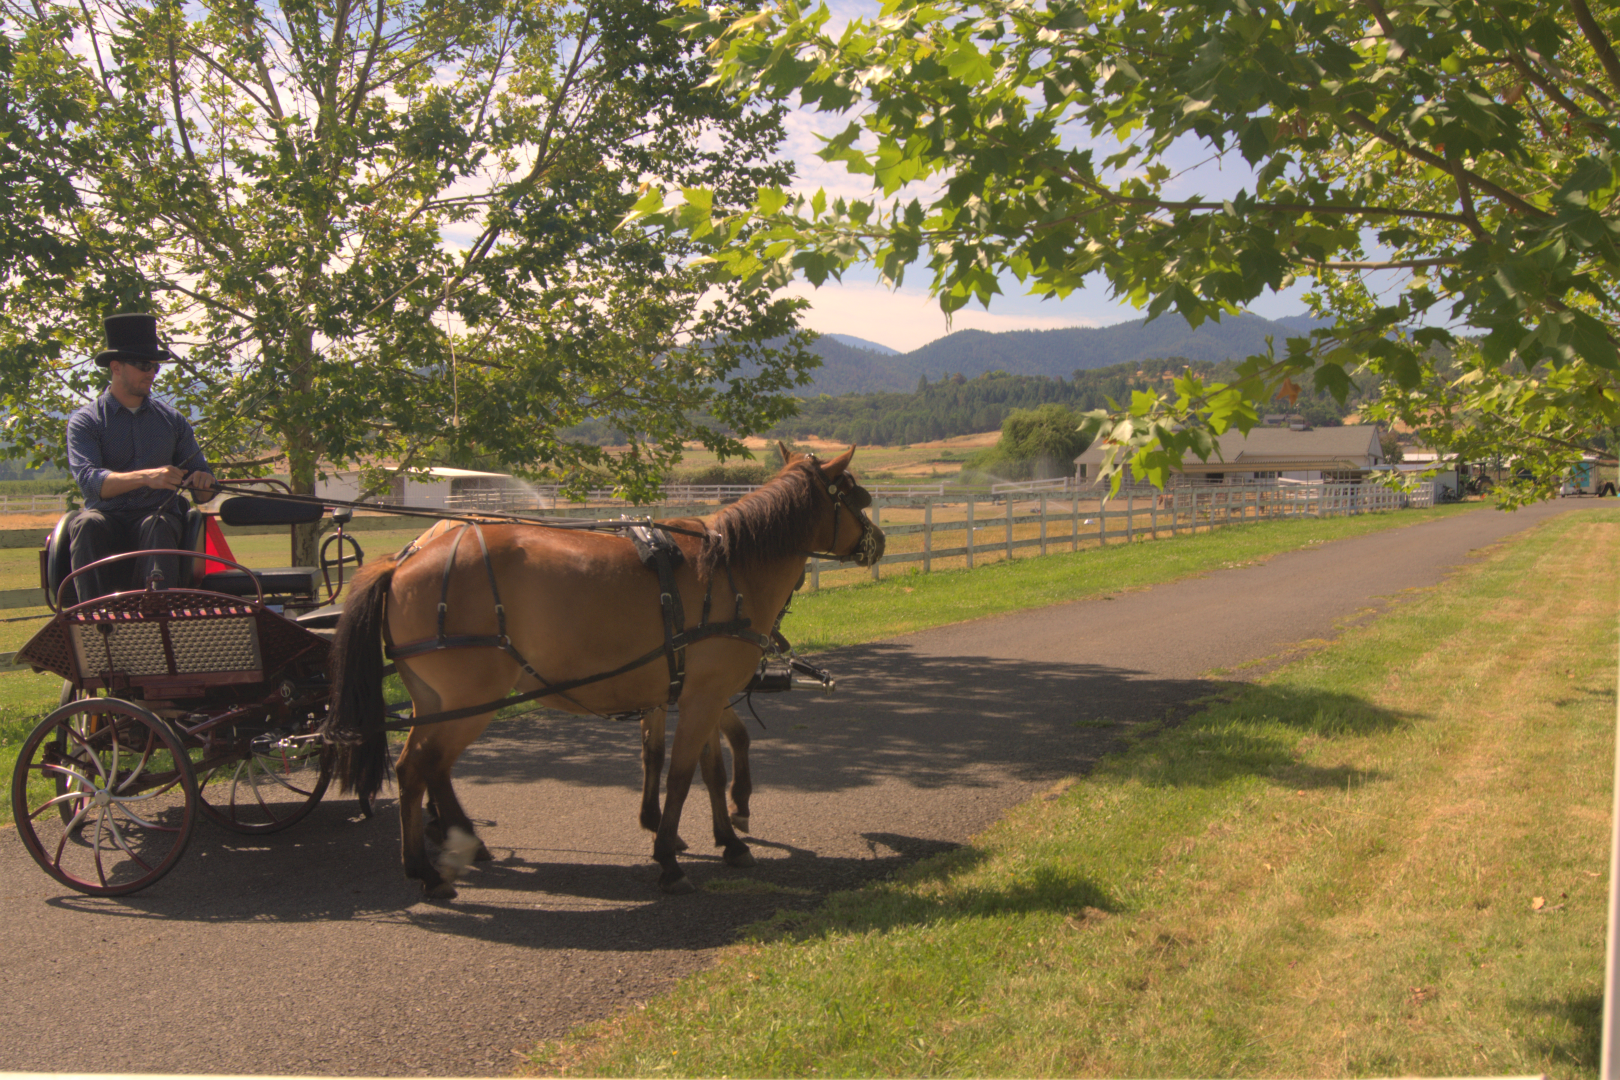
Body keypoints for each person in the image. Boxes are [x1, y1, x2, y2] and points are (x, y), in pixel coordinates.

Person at [65, 313, 216, 601]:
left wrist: (203, 483)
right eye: (144, 365)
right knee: (86, 523)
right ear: (116, 367)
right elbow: (90, 483)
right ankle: (93, 615)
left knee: (158, 522)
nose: (152, 373)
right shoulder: (85, 421)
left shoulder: (173, 421)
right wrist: (148, 476)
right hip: (107, 517)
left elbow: (200, 485)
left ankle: (157, 608)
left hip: (157, 518)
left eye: (155, 367)